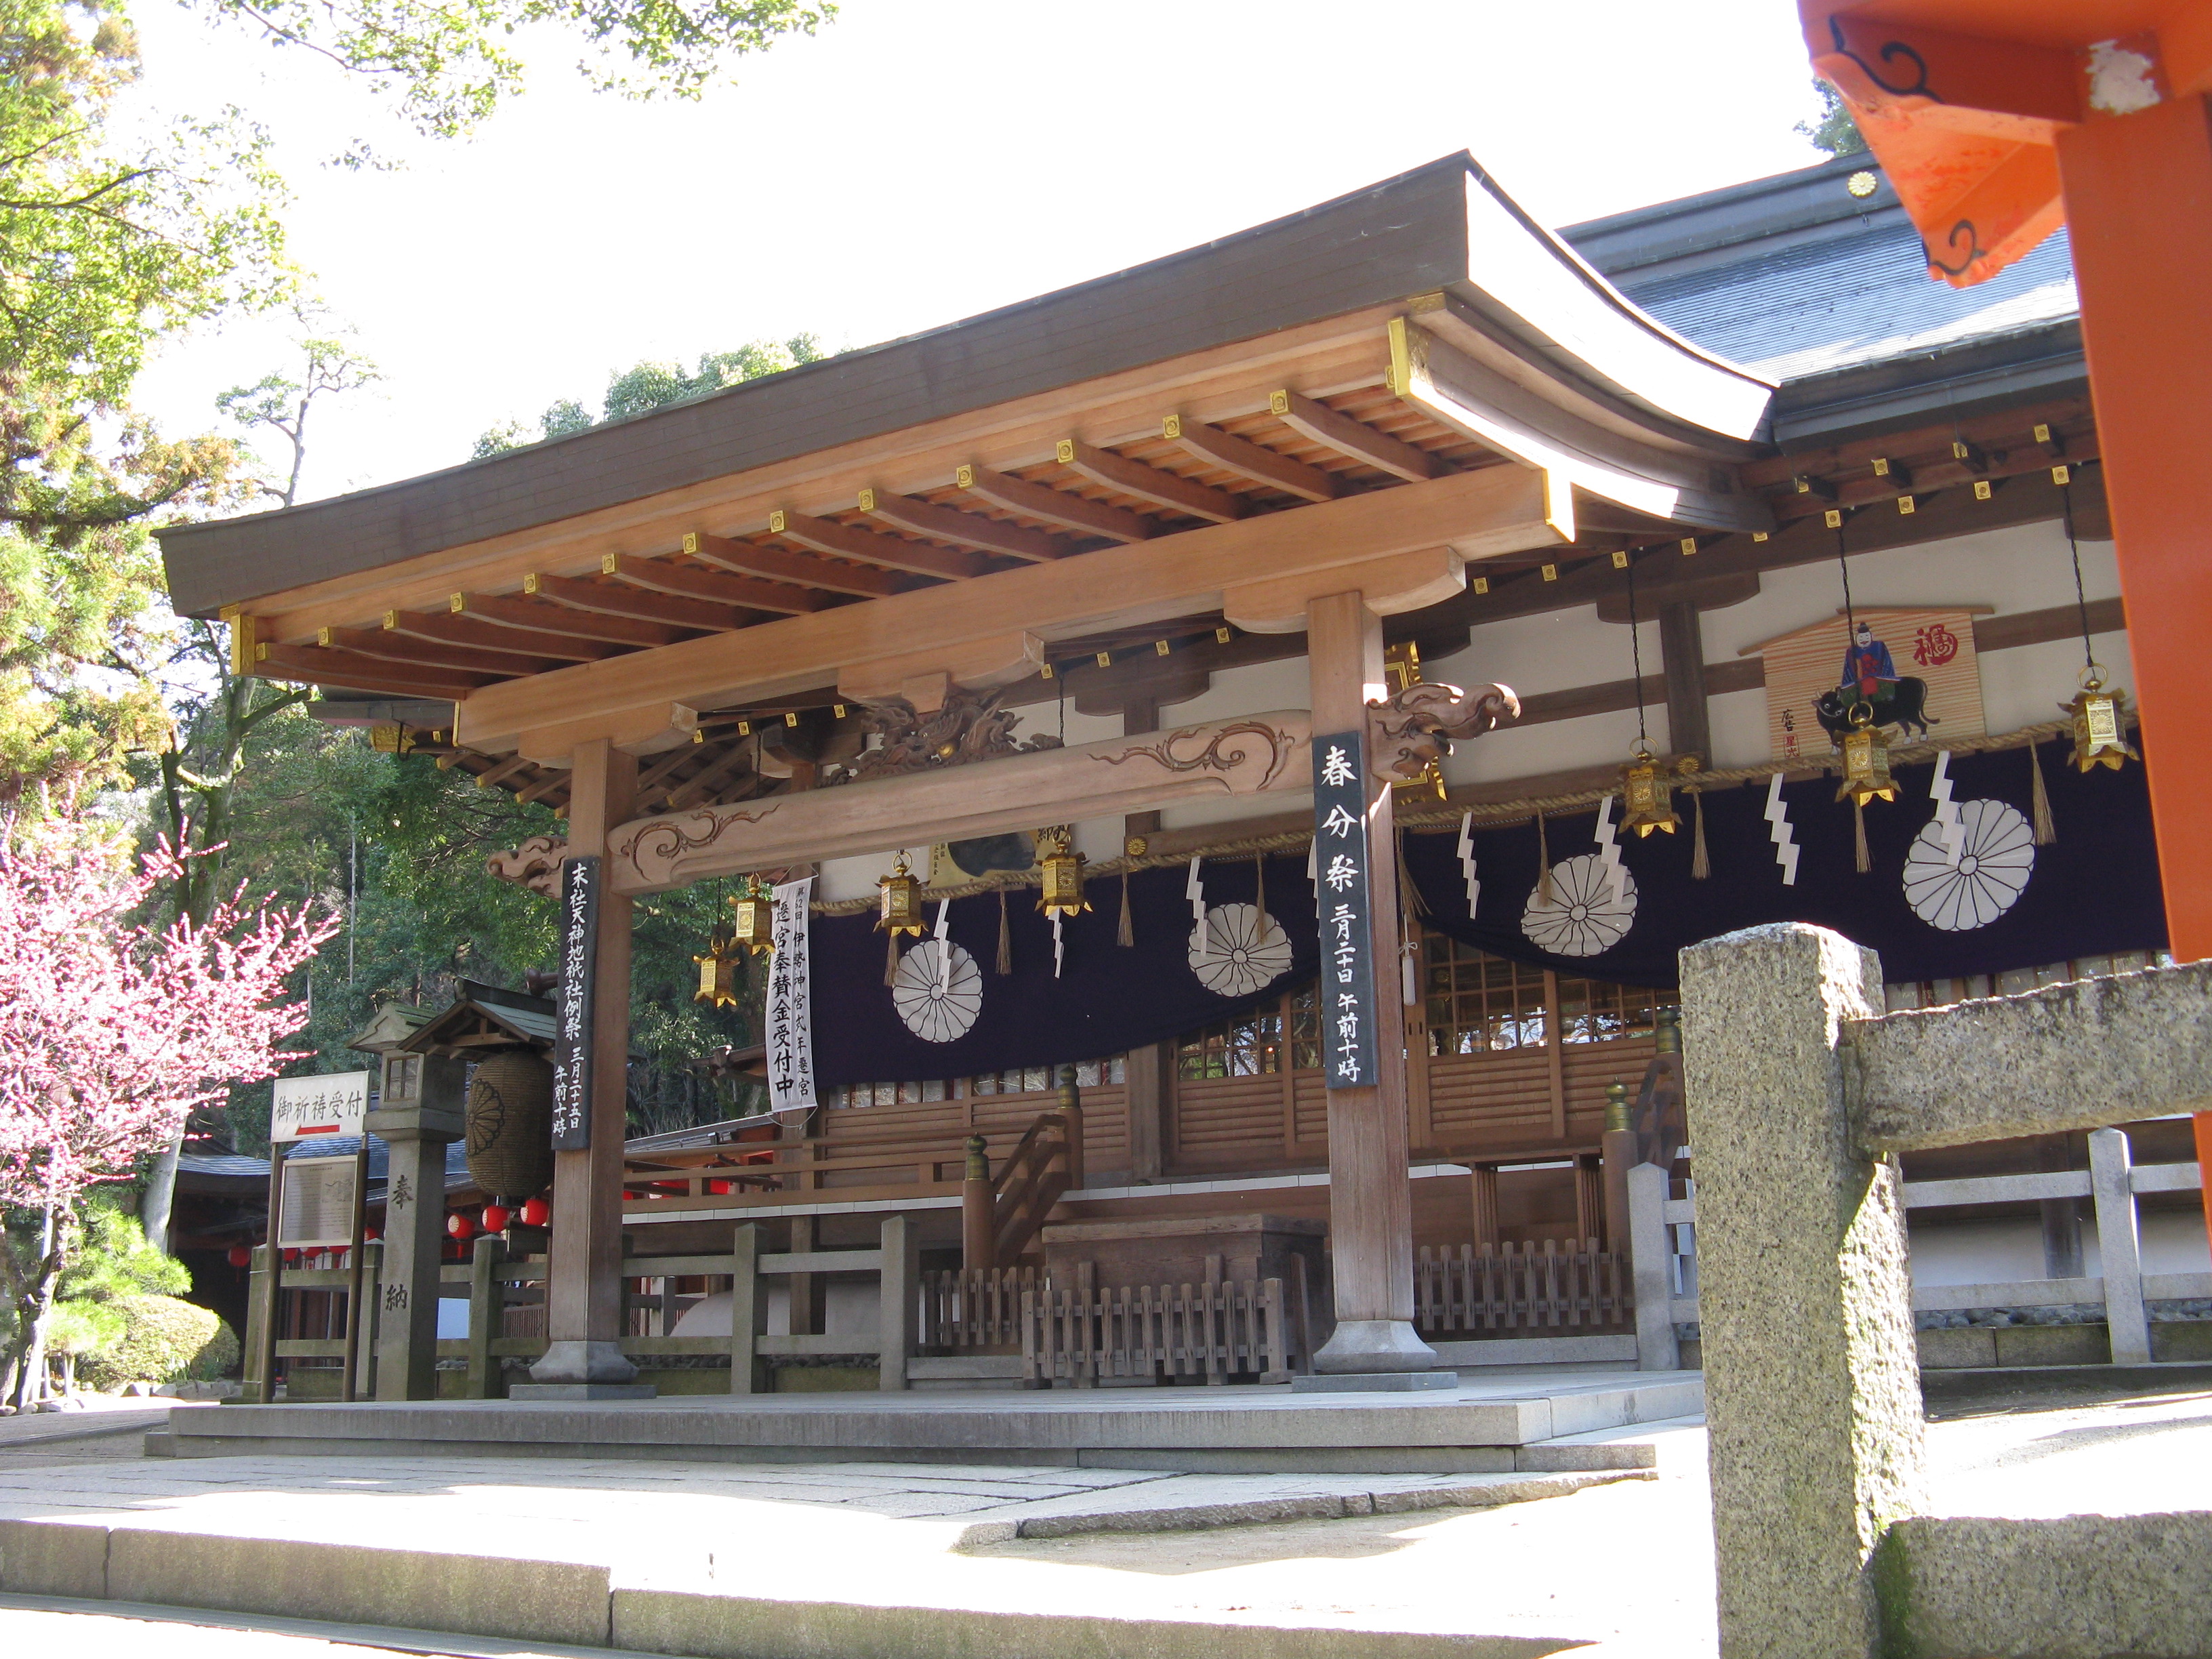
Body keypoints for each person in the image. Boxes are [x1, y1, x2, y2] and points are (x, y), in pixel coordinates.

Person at [1839, 621, 1897, 699]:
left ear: (1871, 636)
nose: (1864, 640)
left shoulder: (1879, 646)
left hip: (1878, 678)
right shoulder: (1852, 651)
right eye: (1861, 638)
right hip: (1860, 683)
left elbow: (1886, 663)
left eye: (1866, 637)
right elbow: (1848, 670)